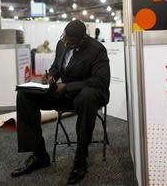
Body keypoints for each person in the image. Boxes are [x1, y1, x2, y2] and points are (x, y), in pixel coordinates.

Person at [11, 20, 110, 185]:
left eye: (70, 40)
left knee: (87, 97)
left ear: (82, 39)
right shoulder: (61, 43)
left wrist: (67, 86)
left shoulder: (97, 50)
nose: (65, 42)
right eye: (64, 38)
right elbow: (57, 67)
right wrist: (50, 76)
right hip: (64, 94)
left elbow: (100, 81)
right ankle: (39, 155)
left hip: (88, 94)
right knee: (24, 95)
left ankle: (81, 159)